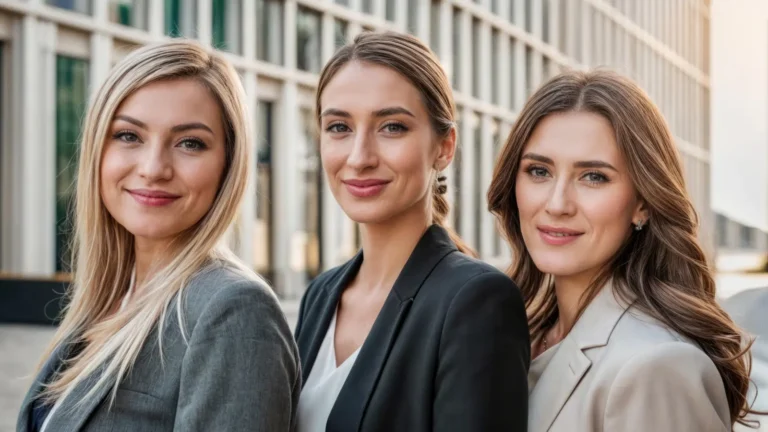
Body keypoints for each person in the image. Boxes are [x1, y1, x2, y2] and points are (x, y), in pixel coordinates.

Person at [16, 40, 299, 431]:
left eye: (189, 143)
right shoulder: (112, 297)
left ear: (227, 165)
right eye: (129, 136)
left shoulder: (233, 310)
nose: (153, 168)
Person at [487, 69, 759, 431]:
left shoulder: (658, 366)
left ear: (642, 203)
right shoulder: (524, 335)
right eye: (539, 171)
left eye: (593, 177)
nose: (557, 203)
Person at [293, 31, 530, 432]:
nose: (359, 157)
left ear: (444, 147)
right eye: (339, 127)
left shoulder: (476, 302)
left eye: (391, 127)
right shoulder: (321, 294)